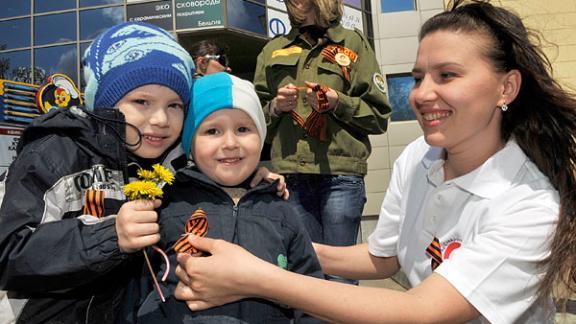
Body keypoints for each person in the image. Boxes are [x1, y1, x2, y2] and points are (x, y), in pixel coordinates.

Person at [173, 1, 576, 322]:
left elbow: (420, 311)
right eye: (419, 78)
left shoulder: (530, 207)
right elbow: (384, 259)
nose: (421, 95)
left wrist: (260, 278)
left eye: (447, 75)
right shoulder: (420, 156)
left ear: (507, 87)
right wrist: (270, 244)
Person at [0, 22, 283, 323]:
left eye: (174, 105)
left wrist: (248, 183)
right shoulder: (55, 153)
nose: (160, 119)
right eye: (142, 102)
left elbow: (214, 185)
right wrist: (109, 236)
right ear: (106, 103)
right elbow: (9, 253)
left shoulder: (174, 165)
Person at [127, 72, 322, 323]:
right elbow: (138, 291)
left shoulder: (280, 209)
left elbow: (310, 289)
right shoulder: (165, 204)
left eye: (243, 129)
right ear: (190, 144)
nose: (230, 142)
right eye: (212, 131)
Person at [253, 0, 391, 284]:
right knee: (305, 276)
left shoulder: (353, 44)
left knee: (342, 275)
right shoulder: (272, 49)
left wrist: (338, 102)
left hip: (341, 176)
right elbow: (250, 123)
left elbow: (379, 118)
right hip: (291, 177)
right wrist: (276, 107)